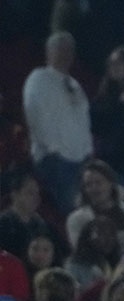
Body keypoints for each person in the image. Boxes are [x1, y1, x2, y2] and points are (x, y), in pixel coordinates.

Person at [22, 33, 94, 212]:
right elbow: (34, 115)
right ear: (49, 52)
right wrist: (52, 149)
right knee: (71, 210)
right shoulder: (39, 79)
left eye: (69, 50)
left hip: (80, 160)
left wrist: (87, 151)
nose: (65, 55)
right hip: (56, 159)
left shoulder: (75, 85)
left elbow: (84, 120)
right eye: (60, 50)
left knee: (85, 210)